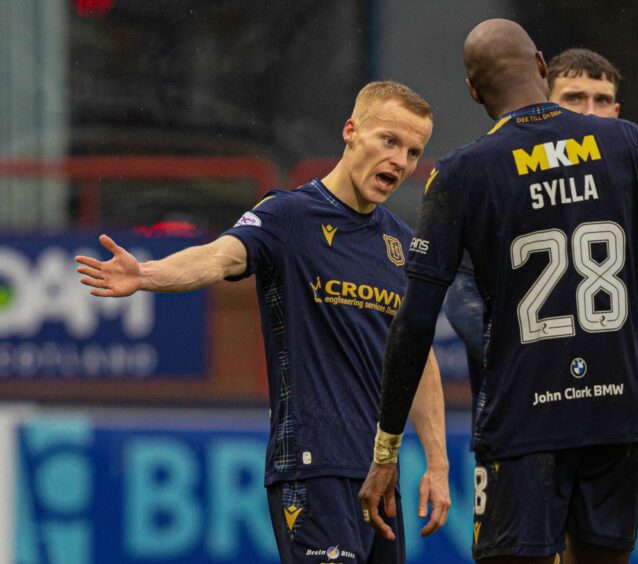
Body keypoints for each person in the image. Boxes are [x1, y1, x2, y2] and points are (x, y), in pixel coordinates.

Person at [361, 19, 638, 564]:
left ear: (473, 91)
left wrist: (387, 447)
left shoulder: (461, 172)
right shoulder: (624, 141)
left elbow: (415, 322)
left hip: (524, 422)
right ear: (541, 65)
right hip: (615, 422)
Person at [75, 81, 451, 564]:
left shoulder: (400, 243)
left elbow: (416, 358)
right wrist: (146, 273)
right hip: (311, 467)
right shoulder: (288, 215)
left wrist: (437, 463)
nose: (400, 161)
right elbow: (218, 257)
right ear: (351, 131)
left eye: (414, 151)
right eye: (389, 141)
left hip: (380, 475)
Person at [442, 46, 638, 525]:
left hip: (604, 428)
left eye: (602, 100)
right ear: (541, 98)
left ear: (617, 111)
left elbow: (624, 330)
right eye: (574, 98)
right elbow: (459, 296)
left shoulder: (623, 185)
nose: (589, 112)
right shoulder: (491, 173)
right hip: (521, 424)